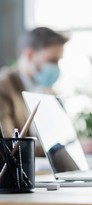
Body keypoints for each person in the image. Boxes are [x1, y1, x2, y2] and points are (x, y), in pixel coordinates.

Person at [0, 27, 68, 155]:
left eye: (58, 61)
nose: (56, 67)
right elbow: (9, 145)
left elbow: (60, 134)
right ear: (30, 55)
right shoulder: (3, 87)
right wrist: (61, 148)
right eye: (52, 60)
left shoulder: (48, 90)